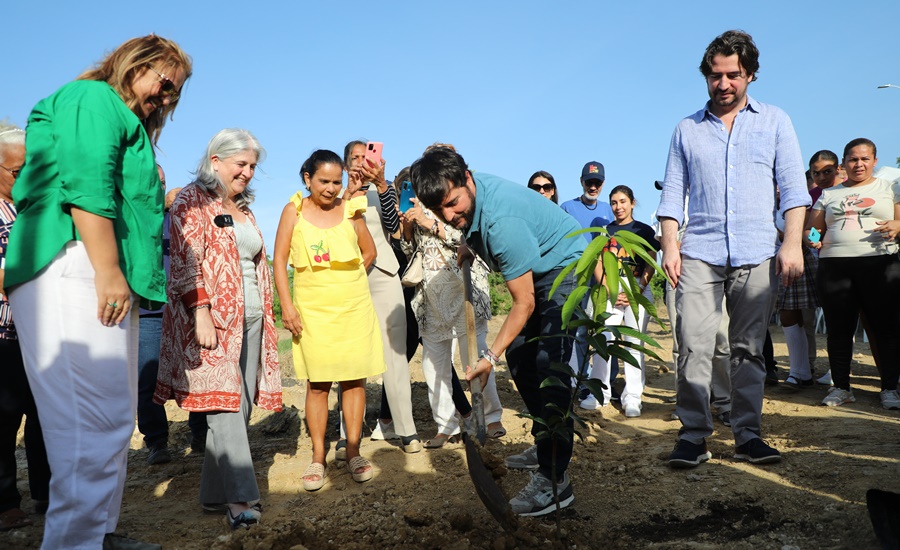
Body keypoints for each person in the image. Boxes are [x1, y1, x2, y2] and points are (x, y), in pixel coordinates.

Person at [4, 35, 190, 550]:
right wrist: (107, 269)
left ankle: (98, 534)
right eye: (165, 80)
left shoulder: (117, 113)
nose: (168, 96)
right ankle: (74, 542)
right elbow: (87, 183)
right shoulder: (93, 99)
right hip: (73, 262)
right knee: (88, 423)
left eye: (176, 92)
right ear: (134, 63)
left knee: (109, 418)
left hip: (96, 267)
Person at [657, 30, 809, 469]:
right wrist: (670, 247)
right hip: (699, 253)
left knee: (747, 350)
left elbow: (794, 189)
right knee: (694, 346)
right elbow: (672, 195)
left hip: (757, 251)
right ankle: (693, 435)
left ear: (750, 75)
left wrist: (793, 243)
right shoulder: (686, 129)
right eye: (715, 76)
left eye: (733, 75)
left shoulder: (775, 121)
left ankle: (747, 434)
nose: (723, 84)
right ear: (706, 76)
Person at [411, 147, 585, 517]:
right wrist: (466, 245)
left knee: (548, 365)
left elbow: (524, 303)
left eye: (453, 203)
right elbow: (470, 221)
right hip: (539, 267)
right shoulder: (471, 204)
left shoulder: (501, 222)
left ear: (467, 179)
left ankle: (556, 480)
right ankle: (545, 445)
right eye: (439, 209)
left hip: (567, 267)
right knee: (522, 360)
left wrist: (489, 358)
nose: (449, 215)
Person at [155, 129, 281, 529]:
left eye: (252, 166)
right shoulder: (191, 200)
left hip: (253, 318)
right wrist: (201, 310)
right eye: (240, 164)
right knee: (224, 408)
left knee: (237, 408)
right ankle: (241, 498)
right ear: (215, 162)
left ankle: (212, 496)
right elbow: (186, 260)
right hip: (214, 320)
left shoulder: (243, 207)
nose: (247, 172)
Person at [273, 149, 384, 491]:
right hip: (311, 310)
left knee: (354, 381)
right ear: (307, 178)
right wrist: (288, 307)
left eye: (337, 182)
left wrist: (349, 281)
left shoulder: (352, 210)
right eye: (324, 181)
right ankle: (318, 456)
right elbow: (279, 262)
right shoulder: (292, 210)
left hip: (353, 308)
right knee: (317, 384)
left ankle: (352, 452)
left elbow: (370, 252)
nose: (331, 188)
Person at [398, 167, 505, 448]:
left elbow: (468, 239)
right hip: (430, 296)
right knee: (434, 365)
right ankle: (446, 425)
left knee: (477, 357)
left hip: (464, 288)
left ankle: (492, 417)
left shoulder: (453, 203)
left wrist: (429, 221)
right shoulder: (415, 207)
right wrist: (408, 228)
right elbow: (410, 253)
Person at [806, 138, 900, 410]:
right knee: (838, 329)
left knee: (886, 329)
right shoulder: (829, 194)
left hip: (880, 264)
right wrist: (812, 238)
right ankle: (841, 388)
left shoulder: (889, 187)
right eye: (852, 159)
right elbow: (813, 229)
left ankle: (889, 388)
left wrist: (897, 224)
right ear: (844, 164)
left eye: (864, 159)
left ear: (874, 160)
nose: (858, 164)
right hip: (835, 266)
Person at [343, 140, 420, 454]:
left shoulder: (382, 191)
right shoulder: (334, 195)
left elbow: (393, 227)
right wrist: (347, 194)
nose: (362, 162)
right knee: (350, 360)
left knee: (395, 355)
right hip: (348, 280)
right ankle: (349, 433)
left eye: (367, 156)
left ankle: (406, 429)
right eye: (355, 158)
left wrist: (382, 183)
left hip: (384, 276)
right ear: (346, 163)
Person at [0, 122, 50, 531]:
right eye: (17, 172)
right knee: (3, 418)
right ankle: (4, 501)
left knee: (44, 416)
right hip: (4, 335)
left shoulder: (33, 209)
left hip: (42, 333)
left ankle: (47, 492)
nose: (24, 178)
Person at [584, 186, 659, 418]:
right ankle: (599, 393)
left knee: (634, 344)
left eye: (623, 201)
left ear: (632, 203)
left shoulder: (644, 230)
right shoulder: (606, 231)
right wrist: (608, 287)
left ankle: (633, 397)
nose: (619, 207)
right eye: (614, 202)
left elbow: (651, 260)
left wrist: (639, 288)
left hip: (637, 287)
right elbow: (597, 261)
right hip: (610, 288)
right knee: (603, 340)